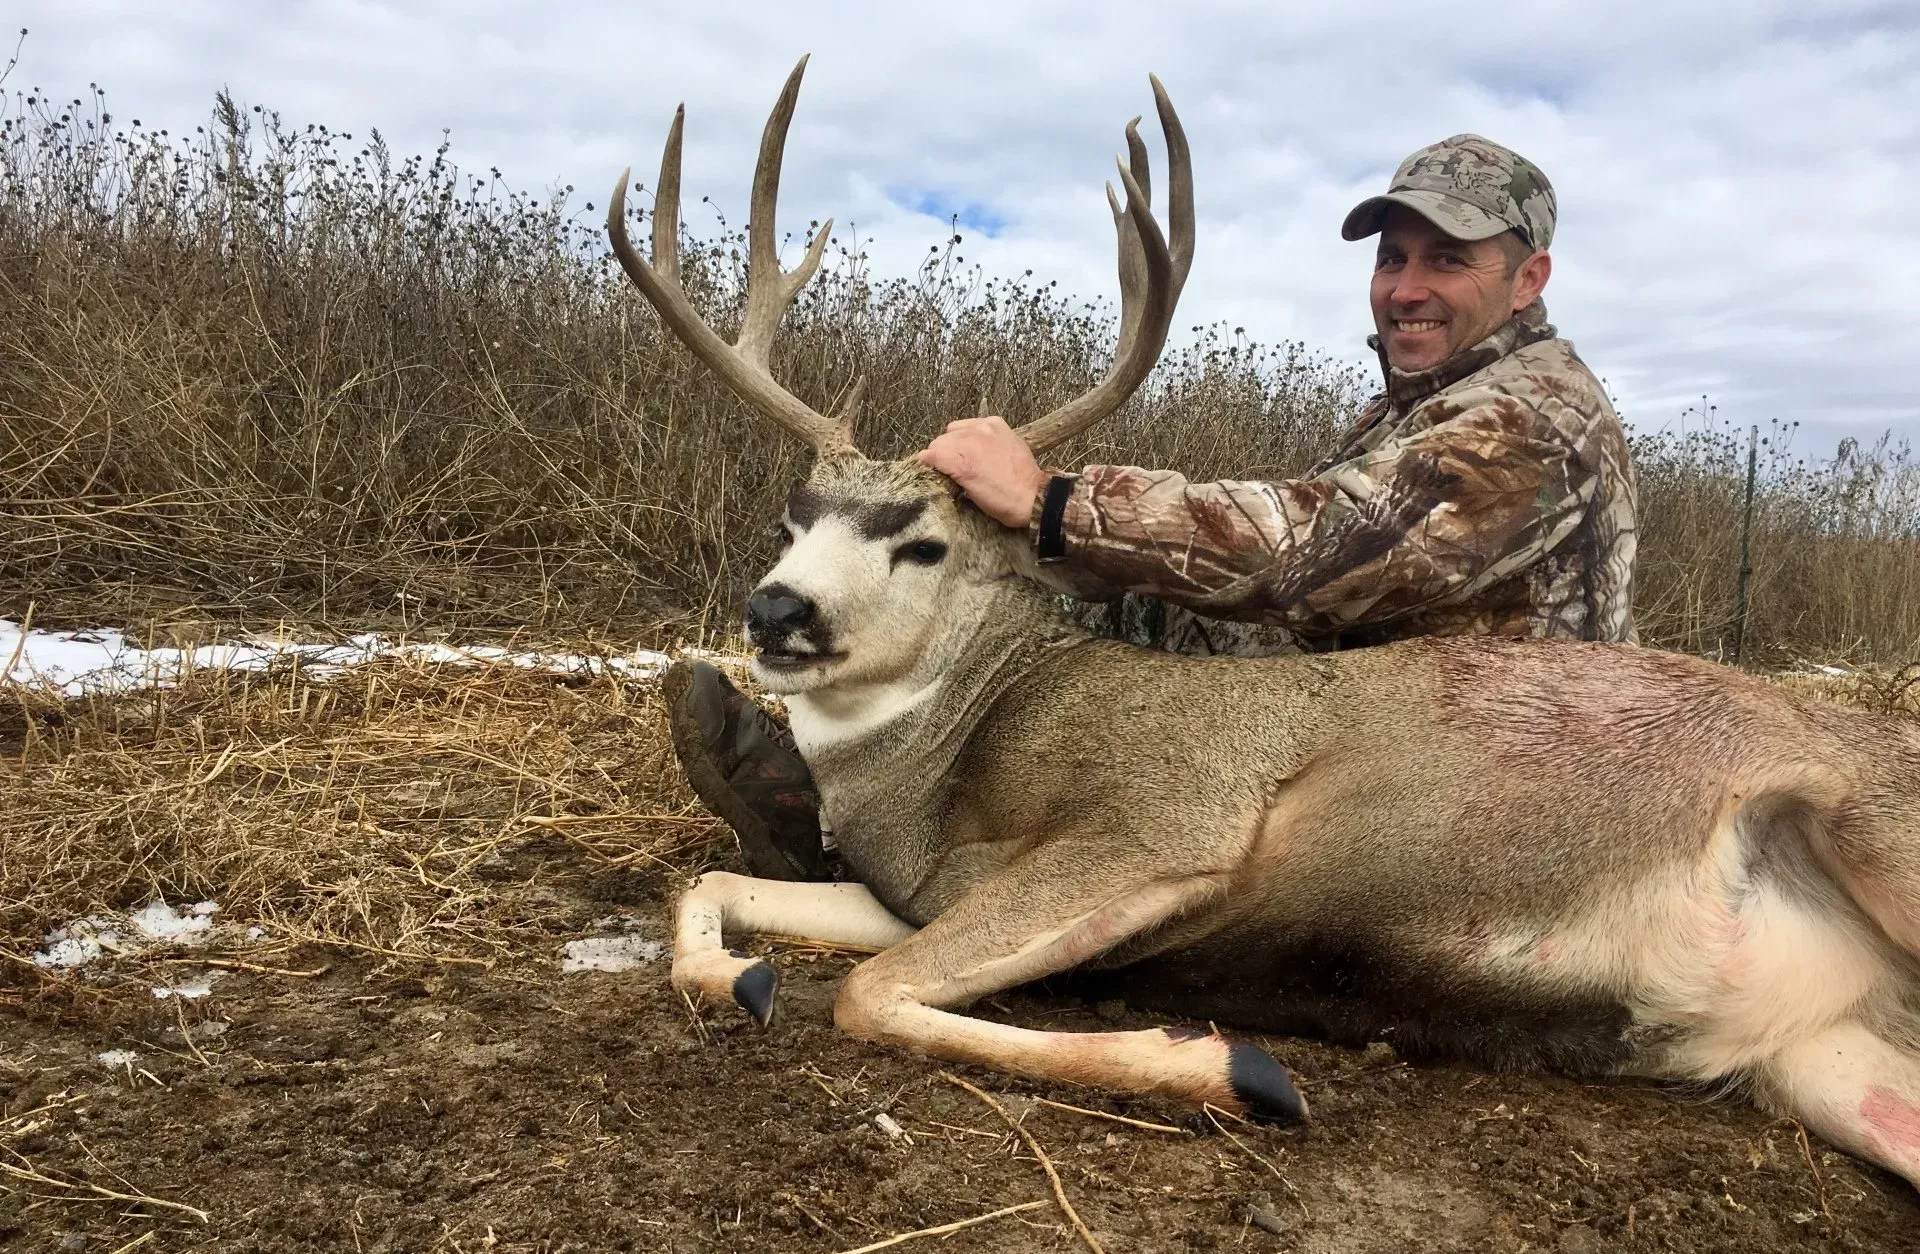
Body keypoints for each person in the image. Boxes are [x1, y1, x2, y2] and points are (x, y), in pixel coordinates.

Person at [667, 133, 1638, 880]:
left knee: (1110, 654)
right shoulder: (1427, 407)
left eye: (1447, 261)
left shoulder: (1532, 421)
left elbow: (1317, 549)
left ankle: (876, 847)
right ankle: (861, 799)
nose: (1407, 289)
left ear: (1529, 281)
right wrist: (1027, 538)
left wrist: (1055, 503)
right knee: (1091, 604)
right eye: (1394, 258)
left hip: (1480, 800)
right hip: (1382, 725)